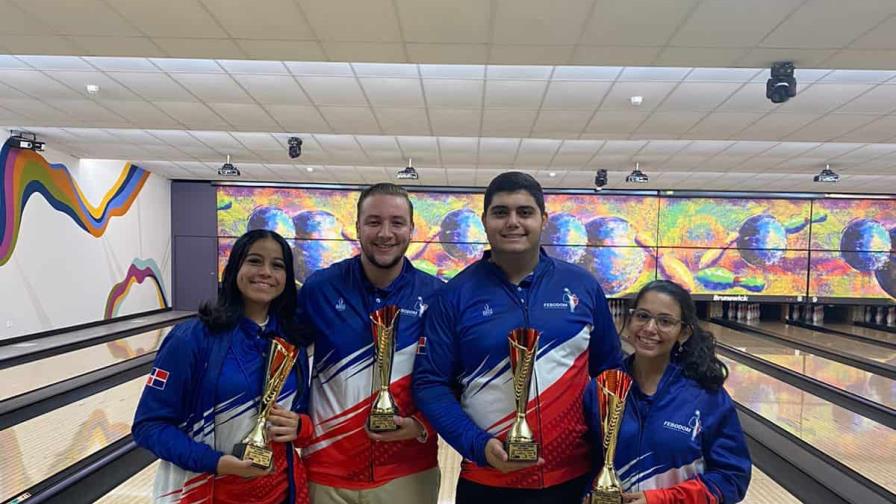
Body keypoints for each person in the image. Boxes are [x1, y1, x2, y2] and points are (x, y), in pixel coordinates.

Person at [413, 171, 623, 503]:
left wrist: (609, 456)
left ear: (544, 219)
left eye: (524, 212)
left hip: (572, 479)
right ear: (484, 220)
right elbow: (430, 383)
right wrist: (478, 445)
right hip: (487, 482)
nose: (513, 222)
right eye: (501, 212)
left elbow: (611, 373)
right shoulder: (455, 295)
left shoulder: (582, 286)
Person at [132, 229, 313, 504]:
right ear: (234, 268)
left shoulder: (291, 343)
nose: (265, 271)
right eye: (254, 261)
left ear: (286, 278)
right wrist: (217, 463)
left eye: (277, 265)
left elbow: (300, 416)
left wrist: (300, 426)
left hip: (280, 493)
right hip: (205, 492)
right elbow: (150, 425)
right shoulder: (191, 338)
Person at [297, 183, 444, 504]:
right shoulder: (320, 289)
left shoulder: (437, 296)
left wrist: (421, 424)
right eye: (374, 221)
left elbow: (454, 379)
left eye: (396, 222)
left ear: (411, 229)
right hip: (327, 469)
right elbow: (283, 359)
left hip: (407, 472)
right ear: (358, 227)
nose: (385, 233)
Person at [584, 280, 751, 504]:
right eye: (642, 316)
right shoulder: (602, 388)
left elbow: (732, 478)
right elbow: (581, 465)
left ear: (683, 332)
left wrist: (664, 500)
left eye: (665, 321)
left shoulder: (706, 397)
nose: (650, 328)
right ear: (630, 319)